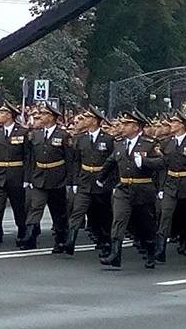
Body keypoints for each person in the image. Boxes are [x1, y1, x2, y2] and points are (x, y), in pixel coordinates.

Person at [97, 110, 163, 269]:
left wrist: (145, 162)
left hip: (143, 189)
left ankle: (150, 253)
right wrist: (100, 178)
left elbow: (161, 163)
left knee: (146, 224)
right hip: (123, 188)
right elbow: (111, 161)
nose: (123, 127)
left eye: (127, 124)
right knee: (118, 219)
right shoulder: (119, 143)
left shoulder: (149, 144)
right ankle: (115, 254)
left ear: (136, 127)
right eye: (123, 124)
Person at [20, 103, 73, 253]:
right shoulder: (35, 135)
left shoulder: (63, 135)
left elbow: (70, 159)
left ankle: (60, 239)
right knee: (35, 206)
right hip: (39, 176)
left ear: (51, 117)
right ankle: (30, 236)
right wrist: (28, 177)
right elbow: (30, 158)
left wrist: (70, 181)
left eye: (44, 114)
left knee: (58, 211)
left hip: (57, 178)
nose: (40, 117)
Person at [0, 102, 32, 253]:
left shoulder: (23, 132)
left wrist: (27, 178)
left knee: (19, 207)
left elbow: (28, 157)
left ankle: (23, 234)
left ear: (9, 115)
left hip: (17, 174)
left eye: (2, 113)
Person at [65, 105, 115, 257]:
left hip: (101, 181)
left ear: (95, 120)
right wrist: (74, 181)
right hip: (85, 179)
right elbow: (76, 161)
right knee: (78, 210)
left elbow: (113, 163)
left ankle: (105, 241)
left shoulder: (108, 139)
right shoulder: (80, 139)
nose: (84, 119)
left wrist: (111, 182)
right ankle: (71, 240)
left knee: (102, 213)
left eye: (87, 117)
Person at [155, 113, 186, 263]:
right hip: (170, 184)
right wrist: (161, 187)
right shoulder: (167, 143)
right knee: (165, 214)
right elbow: (163, 166)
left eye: (175, 122)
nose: (172, 125)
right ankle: (160, 249)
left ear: (182, 125)